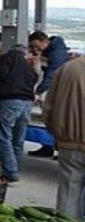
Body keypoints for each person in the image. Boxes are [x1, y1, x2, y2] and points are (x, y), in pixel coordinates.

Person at [0, 44, 39, 184]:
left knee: (3, 137)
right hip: (27, 104)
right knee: (18, 139)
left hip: (9, 101)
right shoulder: (28, 65)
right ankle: (14, 169)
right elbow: (35, 78)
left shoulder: (8, 58)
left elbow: (1, 74)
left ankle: (10, 172)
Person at [43, 56, 85, 218]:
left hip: (69, 143)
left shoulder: (68, 68)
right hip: (70, 140)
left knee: (68, 194)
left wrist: (58, 133)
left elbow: (48, 107)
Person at [28, 30, 70, 158]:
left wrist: (39, 91)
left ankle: (60, 149)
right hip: (51, 87)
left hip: (60, 89)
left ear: (45, 41)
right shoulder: (48, 51)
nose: (35, 49)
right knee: (46, 120)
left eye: (37, 45)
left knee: (57, 120)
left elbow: (52, 75)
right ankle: (47, 147)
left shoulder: (57, 54)